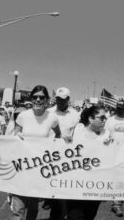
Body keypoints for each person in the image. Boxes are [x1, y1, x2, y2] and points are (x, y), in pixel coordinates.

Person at [11, 85, 61, 220]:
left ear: (47, 100)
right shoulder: (23, 116)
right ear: (31, 98)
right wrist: (17, 136)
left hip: (38, 167)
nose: (38, 100)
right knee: (18, 209)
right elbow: (15, 135)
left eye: (41, 97)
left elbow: (58, 137)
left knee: (32, 208)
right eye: (35, 97)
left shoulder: (53, 118)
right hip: (21, 166)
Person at [66, 106, 109, 220]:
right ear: (90, 119)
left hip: (95, 186)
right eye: (102, 117)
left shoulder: (106, 134)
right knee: (74, 216)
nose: (105, 120)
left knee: (89, 216)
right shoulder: (78, 129)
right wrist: (66, 140)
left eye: (106, 118)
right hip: (75, 184)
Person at [47, 87, 80, 219]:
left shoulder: (75, 115)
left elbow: (79, 133)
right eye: (58, 99)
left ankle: (61, 214)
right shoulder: (48, 112)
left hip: (67, 156)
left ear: (68, 99)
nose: (60, 101)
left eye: (63, 99)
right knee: (52, 189)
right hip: (48, 155)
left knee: (63, 190)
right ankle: (56, 212)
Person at [105, 100, 124, 217]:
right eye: (118, 108)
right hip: (112, 152)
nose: (119, 110)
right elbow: (105, 133)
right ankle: (115, 202)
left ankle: (117, 203)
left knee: (122, 178)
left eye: (122, 108)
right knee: (113, 177)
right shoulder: (110, 120)